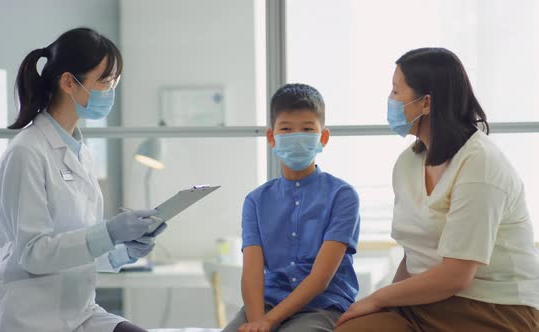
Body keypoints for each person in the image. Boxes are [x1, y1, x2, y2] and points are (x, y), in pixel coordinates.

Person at [335, 47, 539, 331]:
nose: (390, 100)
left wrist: (377, 299)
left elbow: (456, 276)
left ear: (426, 103)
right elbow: (413, 254)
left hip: (493, 307)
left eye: (396, 91)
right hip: (426, 302)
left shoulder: (480, 164)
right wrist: (383, 307)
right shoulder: (408, 163)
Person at [0, 27, 165, 332]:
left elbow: (78, 246)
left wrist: (122, 251)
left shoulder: (79, 150)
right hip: (31, 318)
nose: (110, 92)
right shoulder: (26, 153)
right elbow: (33, 254)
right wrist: (108, 232)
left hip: (79, 312)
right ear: (69, 82)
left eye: (114, 82)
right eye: (105, 82)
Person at [223, 84, 361, 332]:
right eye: (286, 129)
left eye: (307, 129)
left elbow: (321, 278)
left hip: (322, 306)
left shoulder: (342, 196)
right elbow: (252, 273)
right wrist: (256, 322)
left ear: (323, 137)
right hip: (266, 303)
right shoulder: (256, 201)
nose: (296, 136)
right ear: (271, 138)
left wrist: (269, 322)